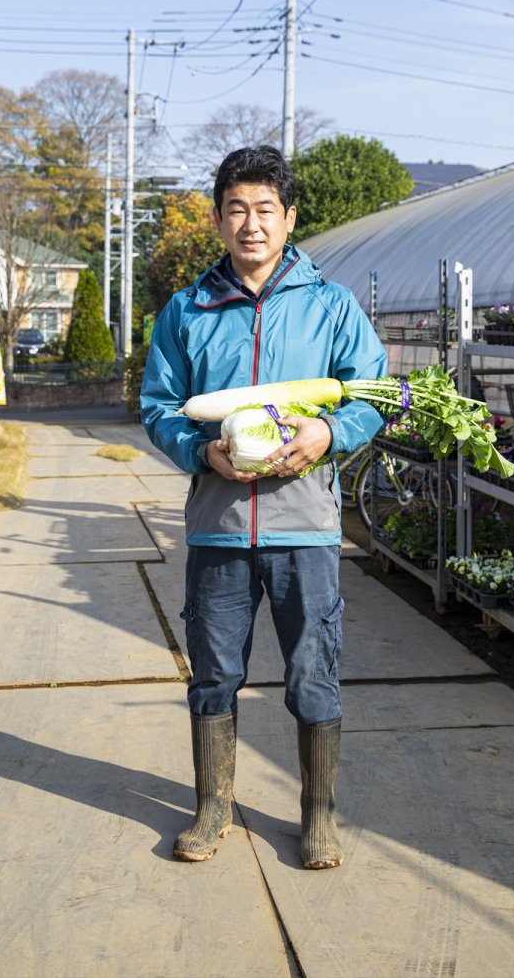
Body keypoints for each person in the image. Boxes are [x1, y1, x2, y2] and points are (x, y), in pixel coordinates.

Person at [140, 145, 388, 869]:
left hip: (304, 528)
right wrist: (199, 450)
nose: (251, 224)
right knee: (213, 671)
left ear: (290, 218)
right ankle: (212, 806)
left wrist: (329, 431)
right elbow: (158, 406)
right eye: (237, 209)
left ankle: (320, 816)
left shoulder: (331, 305)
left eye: (265, 210)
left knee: (315, 669)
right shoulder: (187, 310)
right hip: (218, 528)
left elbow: (371, 394)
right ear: (218, 219)